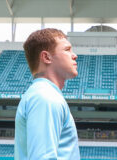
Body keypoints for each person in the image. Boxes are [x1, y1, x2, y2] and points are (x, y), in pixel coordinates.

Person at [14, 28, 80, 159]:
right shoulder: (45, 97)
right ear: (46, 57)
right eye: (67, 50)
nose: (74, 55)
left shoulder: (42, 93)